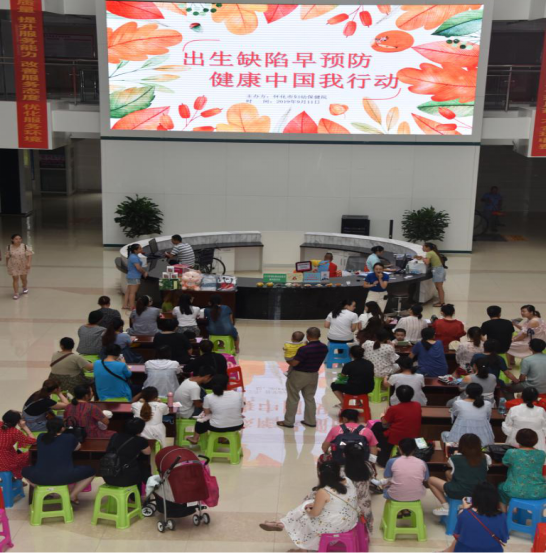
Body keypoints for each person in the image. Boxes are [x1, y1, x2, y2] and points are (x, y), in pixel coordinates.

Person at [258, 461, 359, 549]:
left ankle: (294, 539)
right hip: (351, 520)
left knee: (303, 517)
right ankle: (281, 523)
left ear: (320, 474)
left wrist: (308, 510)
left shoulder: (324, 491)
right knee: (307, 504)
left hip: (336, 526)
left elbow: (314, 514)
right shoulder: (348, 480)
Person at [22, 419, 95, 504]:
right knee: (92, 471)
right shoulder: (69, 437)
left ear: (47, 428)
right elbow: (78, 447)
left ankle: (45, 490)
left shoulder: (41, 437)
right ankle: (72, 495)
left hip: (40, 477)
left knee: (23, 471)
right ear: (62, 428)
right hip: (65, 477)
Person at [428, 433, 491, 516]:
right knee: (448, 473)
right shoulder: (486, 457)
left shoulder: (454, 458)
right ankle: (453, 498)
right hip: (479, 491)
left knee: (430, 480)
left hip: (460, 491)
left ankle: (446, 507)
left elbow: (449, 464)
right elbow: (487, 465)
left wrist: (456, 454)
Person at [277, 327, 328, 429]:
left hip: (298, 375)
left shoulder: (304, 349)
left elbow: (294, 363)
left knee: (293, 398)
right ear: (319, 335)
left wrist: (287, 358)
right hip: (314, 375)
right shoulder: (324, 347)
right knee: (310, 398)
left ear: (308, 336)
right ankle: (310, 421)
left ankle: (288, 422)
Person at [439, 482, 508, 553]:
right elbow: (504, 538)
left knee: (459, 541)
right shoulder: (502, 517)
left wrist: (465, 510)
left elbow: (457, 535)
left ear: (475, 498)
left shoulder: (464, 514)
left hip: (466, 551)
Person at [371, 385, 422, 466]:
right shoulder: (417, 405)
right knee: (378, 426)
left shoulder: (394, 408)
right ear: (412, 395)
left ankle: (379, 455)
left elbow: (384, 422)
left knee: (377, 427)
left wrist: (383, 415)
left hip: (395, 437)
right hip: (413, 435)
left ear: (397, 396)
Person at [188, 375, 244, 444]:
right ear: (227, 384)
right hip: (237, 425)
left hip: (217, 427)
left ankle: (195, 438)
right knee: (221, 418)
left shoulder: (209, 397)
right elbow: (241, 411)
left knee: (201, 420)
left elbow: (207, 413)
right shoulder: (237, 395)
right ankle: (222, 438)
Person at [498, 428, 546, 507]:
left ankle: (506, 512)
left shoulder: (511, 452)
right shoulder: (541, 454)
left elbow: (505, 462)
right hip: (540, 491)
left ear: (518, 439)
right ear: (536, 440)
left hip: (515, 491)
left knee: (501, 487)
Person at [103, 418, 151, 488]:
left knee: (138, 466)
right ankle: (140, 492)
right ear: (140, 429)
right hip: (126, 479)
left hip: (108, 476)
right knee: (141, 467)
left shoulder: (115, 436)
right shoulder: (141, 440)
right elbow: (148, 452)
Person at [379, 438, 429, 503]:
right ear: (414, 449)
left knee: (385, 485)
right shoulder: (422, 462)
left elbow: (386, 476)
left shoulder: (391, 461)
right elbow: (426, 479)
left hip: (395, 495)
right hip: (418, 495)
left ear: (399, 449)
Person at [343, 442, 375, 533]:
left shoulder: (342, 471)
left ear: (344, 455)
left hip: (348, 504)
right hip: (365, 503)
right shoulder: (368, 466)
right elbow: (372, 476)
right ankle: (365, 531)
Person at [502, 387, 546, 452]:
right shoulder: (541, 410)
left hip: (516, 442)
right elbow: (544, 429)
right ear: (536, 398)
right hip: (537, 443)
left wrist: (514, 434)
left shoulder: (514, 409)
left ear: (522, 397)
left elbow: (507, 427)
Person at [0, 410, 36, 479]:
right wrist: (24, 427)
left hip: (4, 457)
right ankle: (17, 477)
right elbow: (33, 441)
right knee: (29, 454)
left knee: (20, 447)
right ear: (17, 421)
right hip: (8, 461)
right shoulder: (15, 432)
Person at [3, 233, 33, 300]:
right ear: (12, 240)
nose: (18, 240)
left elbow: (29, 255)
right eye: (16, 239)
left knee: (23, 278)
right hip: (13, 265)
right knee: (15, 279)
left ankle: (24, 286)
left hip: (23, 264)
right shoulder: (9, 247)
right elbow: (7, 257)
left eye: (20, 239)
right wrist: (7, 264)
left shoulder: (24, 246)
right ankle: (16, 293)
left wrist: (28, 263)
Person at [416, 242, 446, 307]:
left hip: (437, 271)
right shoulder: (432, 252)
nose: (422, 248)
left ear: (428, 248)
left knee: (439, 288)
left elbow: (427, 262)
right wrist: (423, 258)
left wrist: (422, 258)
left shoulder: (429, 253)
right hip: (440, 270)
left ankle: (442, 303)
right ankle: (441, 301)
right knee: (439, 287)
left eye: (423, 246)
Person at [123, 243, 147, 311]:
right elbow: (138, 268)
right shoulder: (134, 257)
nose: (141, 249)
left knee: (128, 291)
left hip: (130, 276)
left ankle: (125, 305)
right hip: (134, 277)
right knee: (132, 293)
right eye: (140, 248)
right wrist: (144, 272)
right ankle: (132, 307)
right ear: (135, 250)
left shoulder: (133, 255)